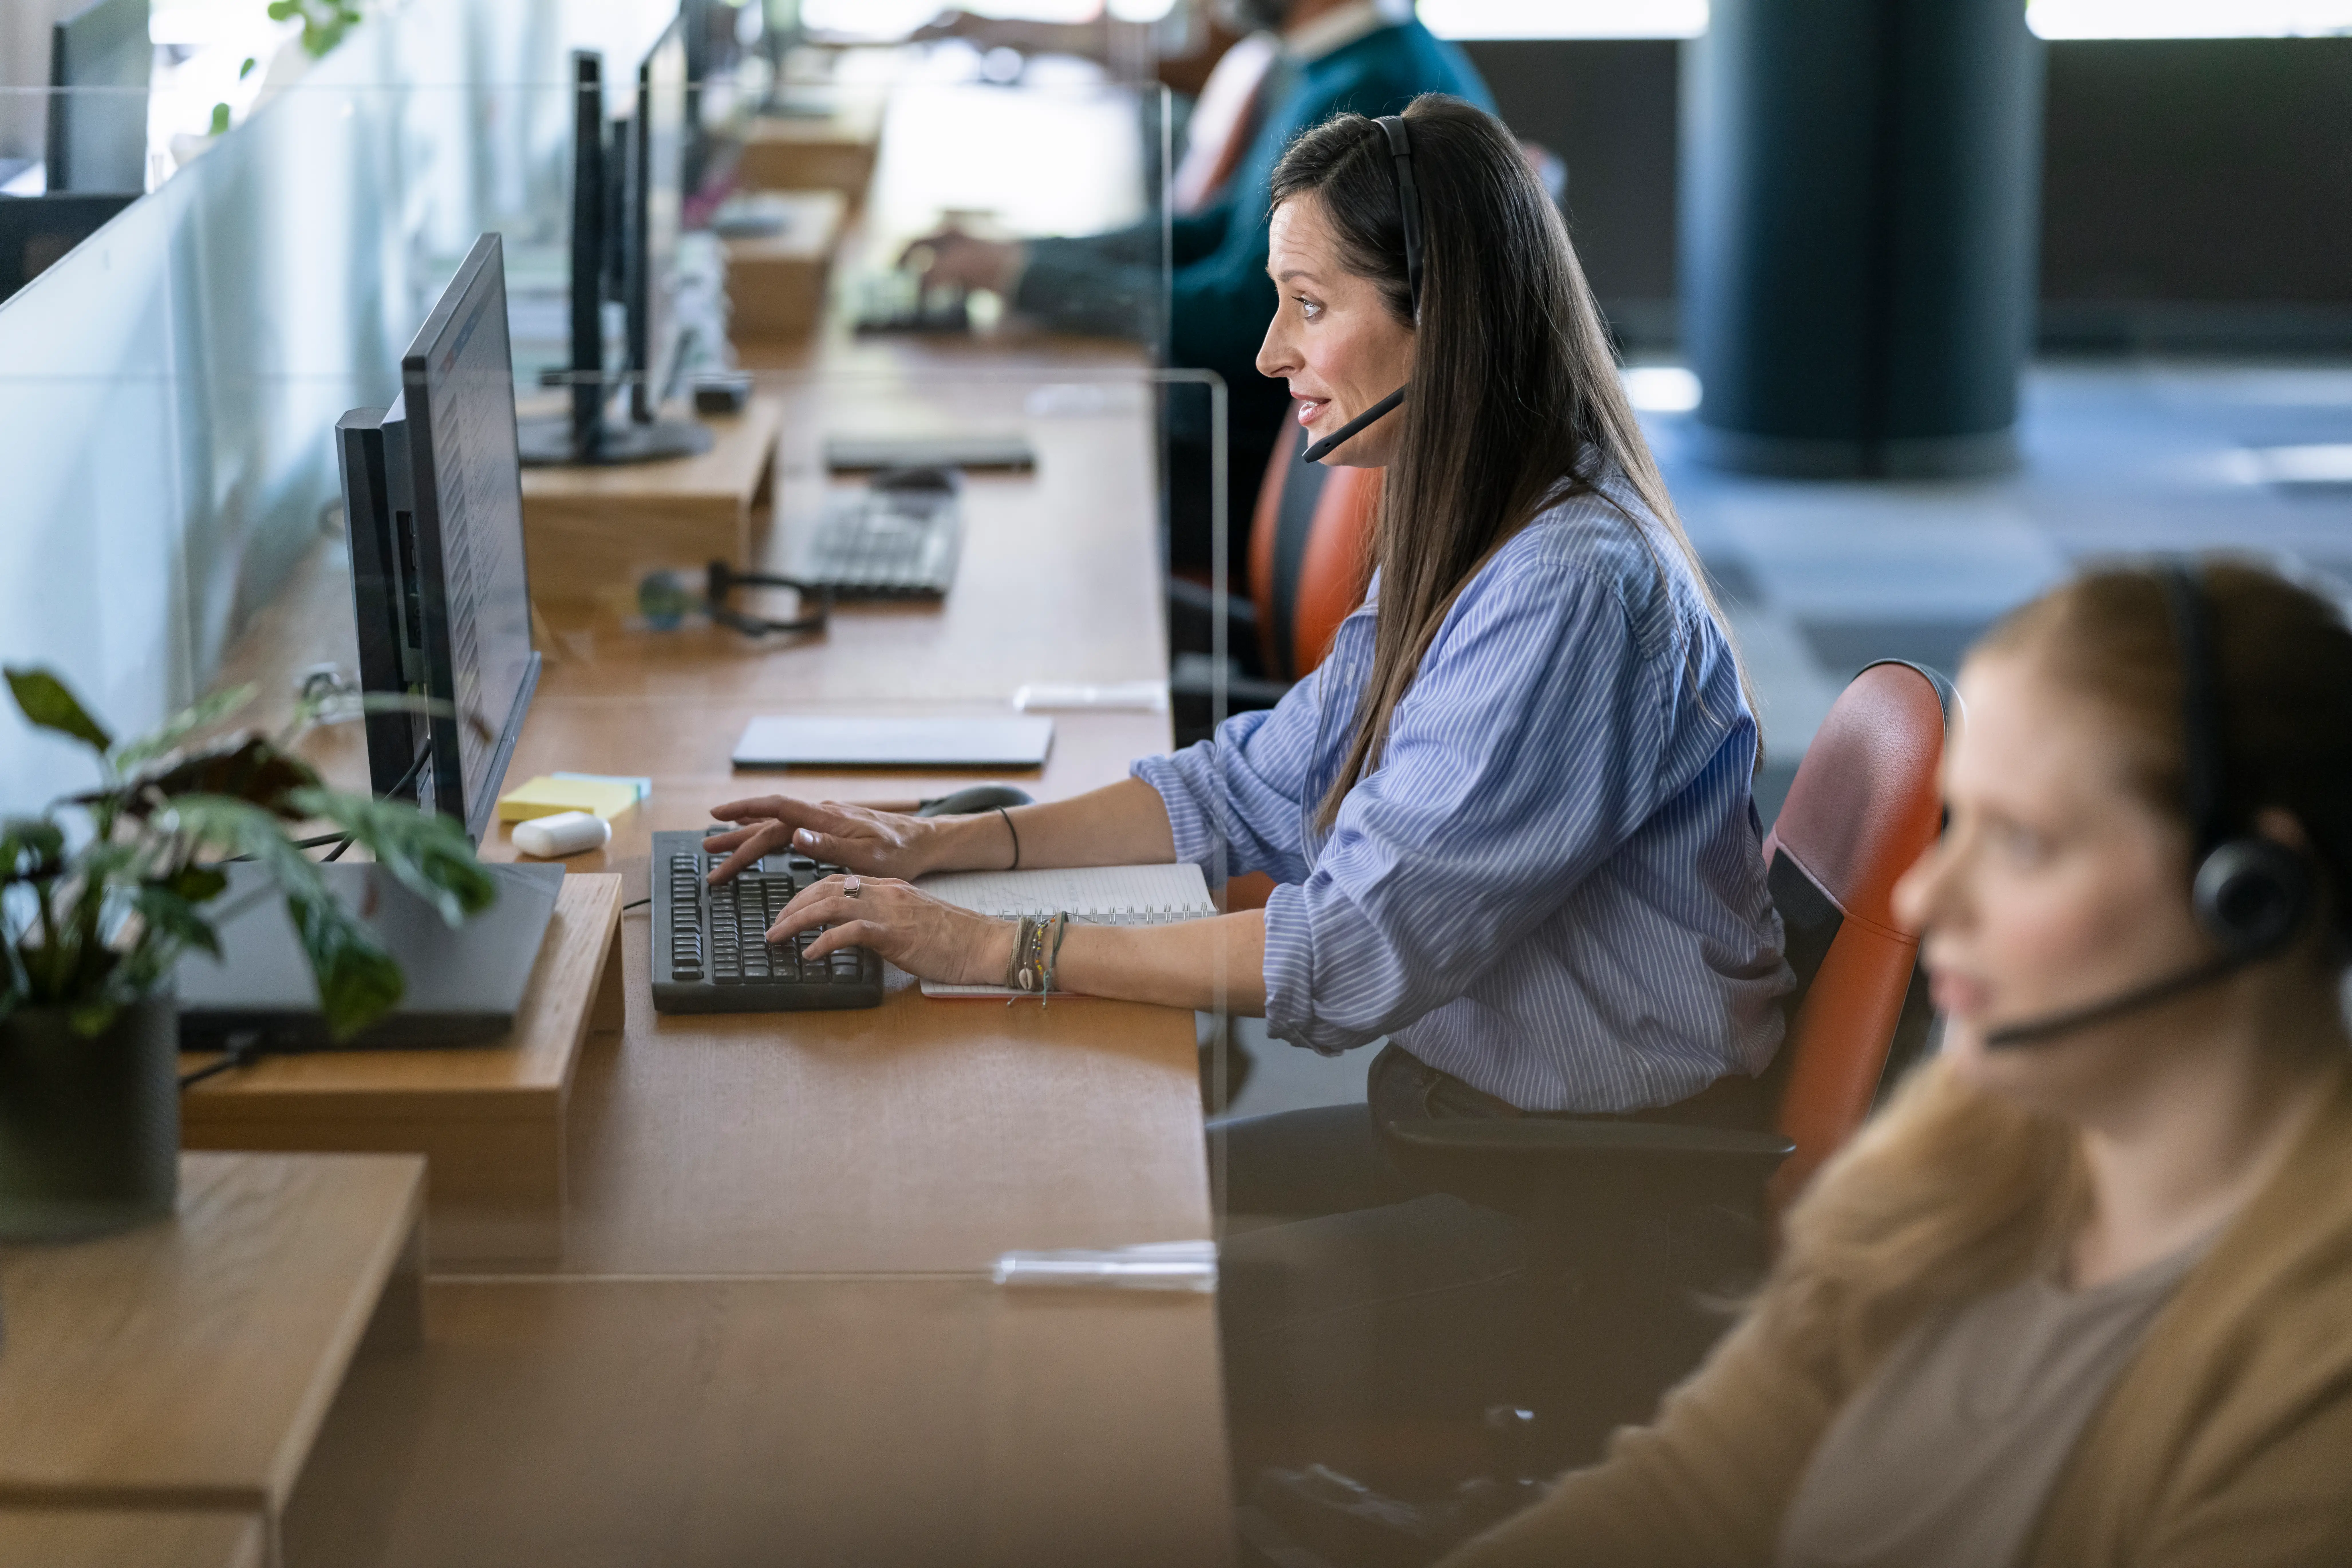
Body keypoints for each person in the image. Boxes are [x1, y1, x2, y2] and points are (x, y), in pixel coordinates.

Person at [705, 94, 1783, 1441]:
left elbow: (1338, 953)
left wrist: (995, 952)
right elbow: (1243, 789)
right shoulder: (1478, 514)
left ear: (1439, 316)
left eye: (1308, 307)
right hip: (1471, 1125)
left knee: (1081, 1349)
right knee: (1068, 1228)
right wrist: (937, 844)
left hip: (1592, 1205)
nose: (1271, 350)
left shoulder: (1566, 587)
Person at [1439, 559, 2352, 1568]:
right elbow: (1690, 1488)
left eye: (2020, 843)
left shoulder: (2316, 1369)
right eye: (1956, 821)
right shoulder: (1971, 1142)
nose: (1919, 902)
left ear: (2251, 894)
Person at [909, 0, 1493, 591]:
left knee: (1006, 509)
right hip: (1253, 441)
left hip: (1249, 461)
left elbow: (1241, 319)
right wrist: (1025, 258)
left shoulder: (1369, 92)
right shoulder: (1354, 61)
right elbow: (1214, 234)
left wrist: (1028, 280)